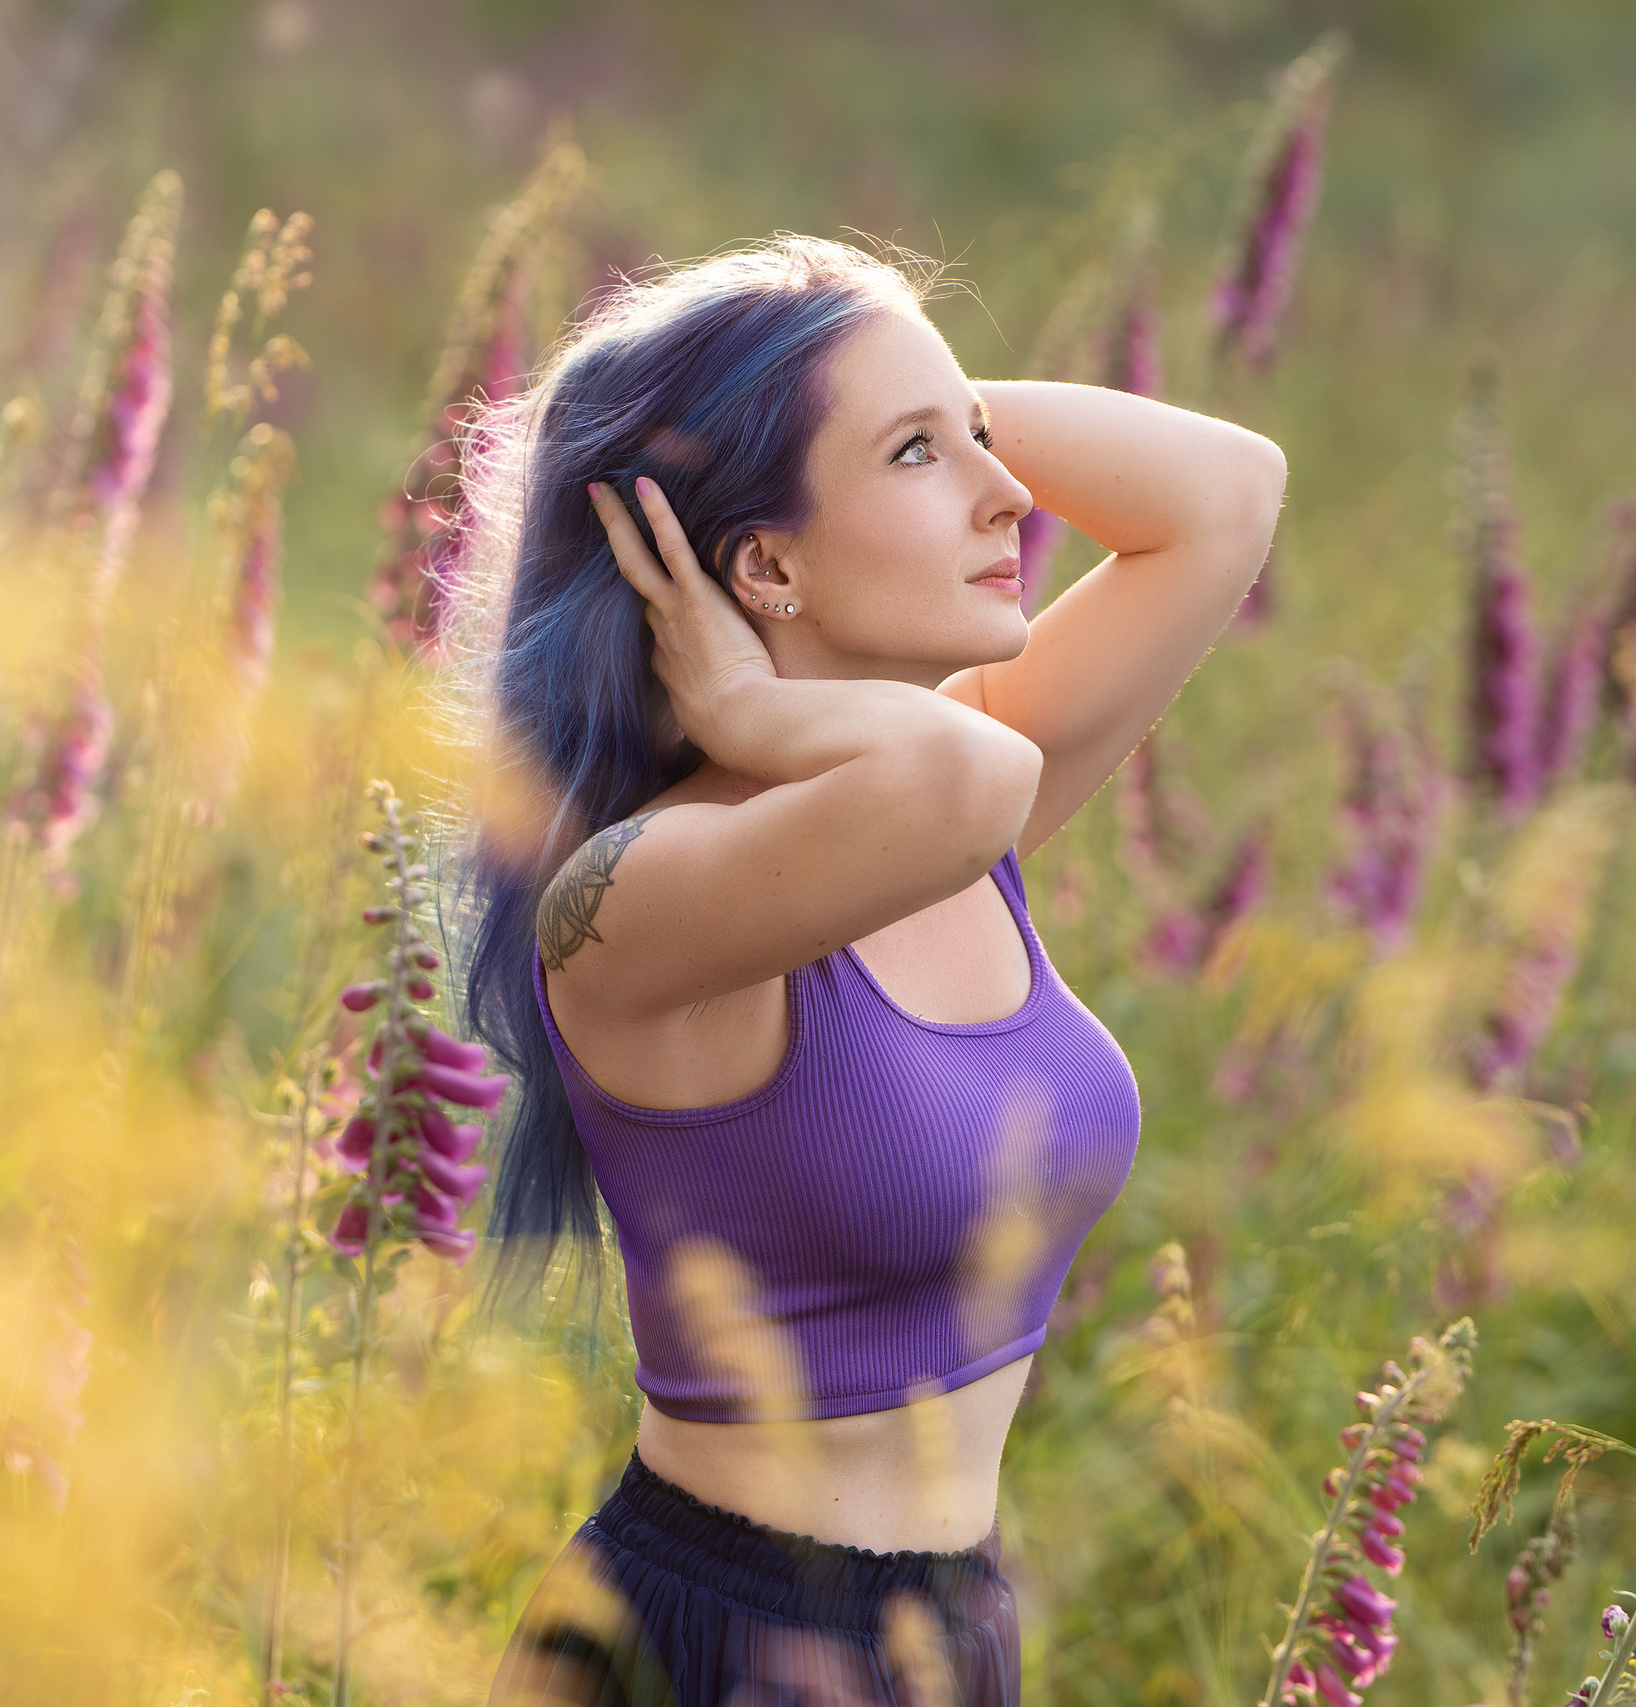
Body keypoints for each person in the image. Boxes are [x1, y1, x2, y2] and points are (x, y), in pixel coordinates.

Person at [450, 233, 1285, 1705]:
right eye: (919, 457)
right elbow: (957, 784)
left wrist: (889, 376)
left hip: (946, 1641)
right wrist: (760, 723)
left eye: (979, 439)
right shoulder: (645, 889)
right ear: (762, 561)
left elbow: (1225, 496)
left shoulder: (938, 790)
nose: (1009, 495)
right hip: (713, 1645)